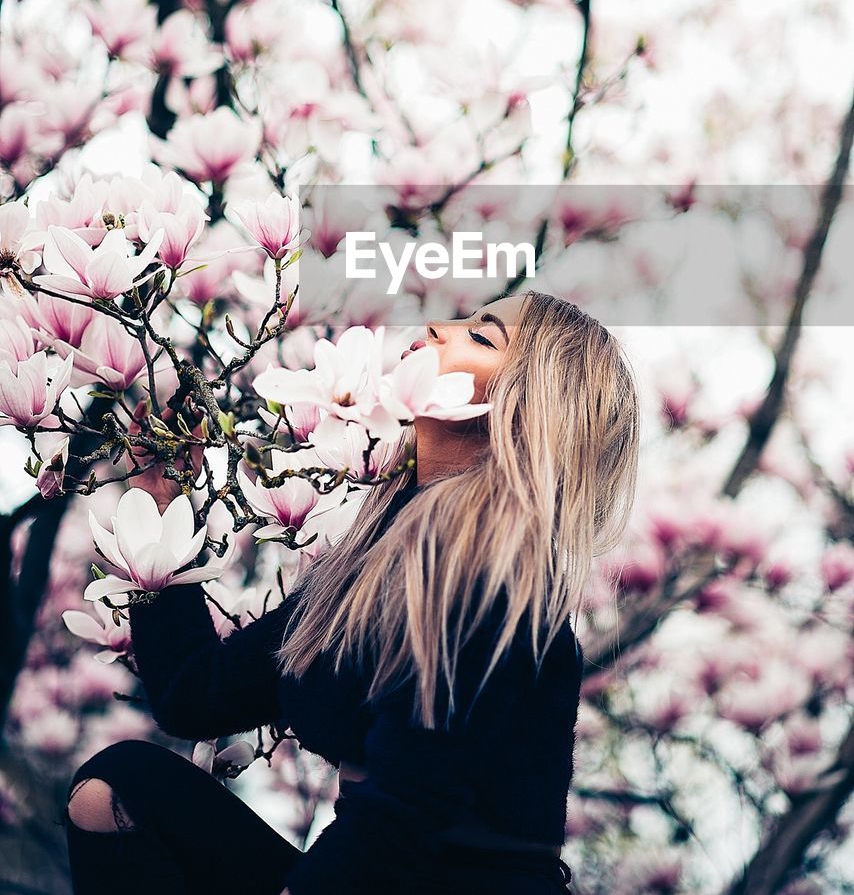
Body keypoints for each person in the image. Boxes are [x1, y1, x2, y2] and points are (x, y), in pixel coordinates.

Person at [63, 290, 640, 894]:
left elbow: (407, 807)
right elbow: (194, 697)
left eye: (482, 336)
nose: (439, 326)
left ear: (524, 408)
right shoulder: (370, 563)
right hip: (373, 871)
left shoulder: (493, 572)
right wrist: (163, 502)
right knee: (118, 787)